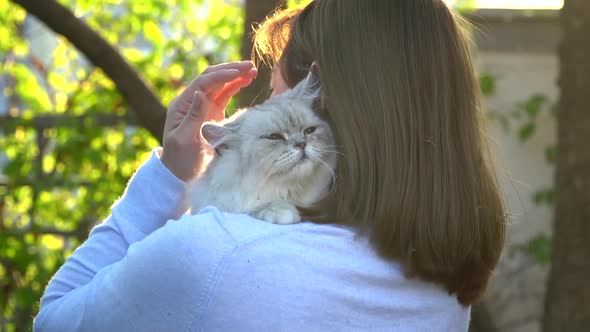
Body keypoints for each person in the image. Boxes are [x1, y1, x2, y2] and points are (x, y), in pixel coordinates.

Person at [34, 0, 506, 331]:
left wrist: (168, 176)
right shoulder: (441, 277)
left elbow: (55, 318)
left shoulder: (215, 256)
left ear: (332, 108)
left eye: (278, 98)